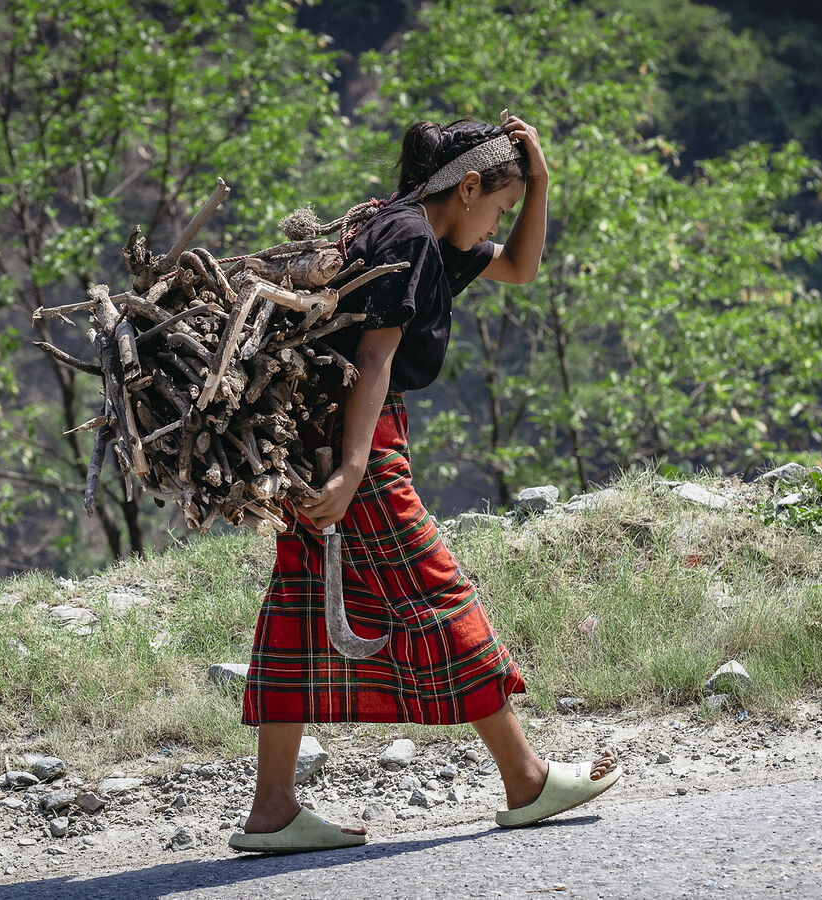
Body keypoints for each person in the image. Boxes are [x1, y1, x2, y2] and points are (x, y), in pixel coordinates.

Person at [229, 112, 620, 855]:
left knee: (301, 604)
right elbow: (374, 359)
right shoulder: (409, 238)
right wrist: (353, 470)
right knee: (437, 593)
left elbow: (522, 267)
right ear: (467, 187)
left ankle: (274, 808)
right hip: (354, 442)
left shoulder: (423, 235)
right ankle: (526, 779)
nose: (499, 223)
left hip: (314, 437)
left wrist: (539, 182)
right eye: (499, 206)